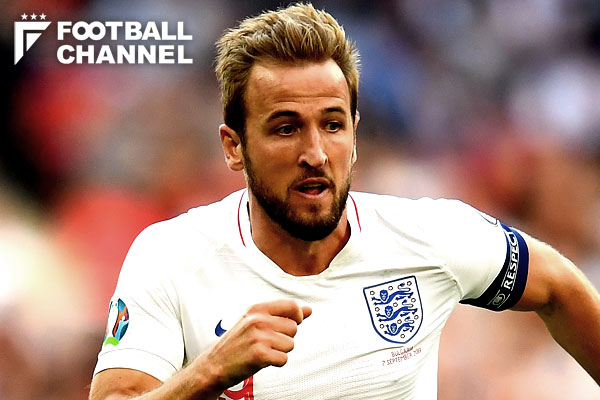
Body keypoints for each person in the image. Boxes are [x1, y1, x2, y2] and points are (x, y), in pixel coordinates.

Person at [89, 3, 600, 399]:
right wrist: (208, 372)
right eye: (285, 128)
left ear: (354, 135)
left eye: (332, 125)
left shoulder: (428, 236)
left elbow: (558, 286)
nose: (315, 154)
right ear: (234, 147)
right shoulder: (171, 256)